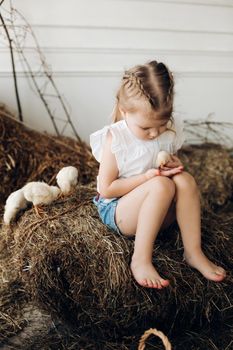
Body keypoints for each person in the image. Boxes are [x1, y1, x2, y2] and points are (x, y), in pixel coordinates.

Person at [90, 60, 226, 289]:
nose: (155, 133)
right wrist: (147, 178)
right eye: (146, 128)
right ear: (124, 112)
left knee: (185, 180)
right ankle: (140, 259)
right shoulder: (116, 138)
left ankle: (193, 252)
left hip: (158, 208)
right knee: (161, 186)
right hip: (120, 209)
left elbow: (168, 166)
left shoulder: (169, 129)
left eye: (161, 125)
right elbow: (106, 190)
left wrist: (173, 164)